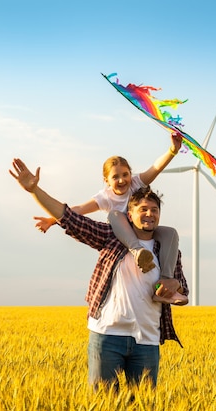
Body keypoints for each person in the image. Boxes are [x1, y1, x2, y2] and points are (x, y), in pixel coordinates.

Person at [10, 158, 189, 390]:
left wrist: (174, 286)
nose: (149, 214)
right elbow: (70, 218)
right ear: (129, 214)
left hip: (147, 340)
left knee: (145, 407)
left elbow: (183, 288)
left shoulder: (167, 248)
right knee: (103, 404)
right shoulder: (110, 237)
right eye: (142, 209)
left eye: (154, 210)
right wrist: (35, 191)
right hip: (107, 335)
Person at [33, 132, 186, 305]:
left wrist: (172, 150)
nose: (122, 180)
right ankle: (138, 252)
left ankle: (164, 284)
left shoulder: (137, 183)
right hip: (123, 235)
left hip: (142, 228)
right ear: (106, 180)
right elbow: (79, 209)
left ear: (131, 174)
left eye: (125, 174)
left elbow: (156, 168)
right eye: (115, 177)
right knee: (115, 215)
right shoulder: (105, 197)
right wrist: (52, 220)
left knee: (170, 234)